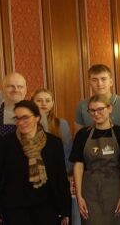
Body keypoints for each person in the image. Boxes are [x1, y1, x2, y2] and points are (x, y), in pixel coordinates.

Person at [0, 100, 70, 225]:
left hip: (47, 207)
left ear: (37, 118)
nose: (21, 122)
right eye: (17, 118)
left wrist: (65, 209)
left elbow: (61, 178)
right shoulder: (6, 143)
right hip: (14, 208)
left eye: (25, 117)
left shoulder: (53, 143)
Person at [71, 94, 120, 225]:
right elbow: (78, 166)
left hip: (115, 190)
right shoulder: (83, 134)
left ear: (109, 108)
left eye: (100, 109)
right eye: (92, 110)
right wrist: (80, 197)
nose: (96, 114)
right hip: (90, 192)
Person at [32, 89, 76, 225]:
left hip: (56, 178)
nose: (43, 104)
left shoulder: (60, 124)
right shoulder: (29, 124)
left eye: (47, 100)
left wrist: (63, 174)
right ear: (32, 102)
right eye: (39, 100)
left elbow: (68, 151)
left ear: (52, 103)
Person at [75, 64, 120, 129]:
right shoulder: (82, 106)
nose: (99, 83)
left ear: (111, 82)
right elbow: (78, 135)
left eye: (103, 79)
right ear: (90, 83)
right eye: (94, 80)